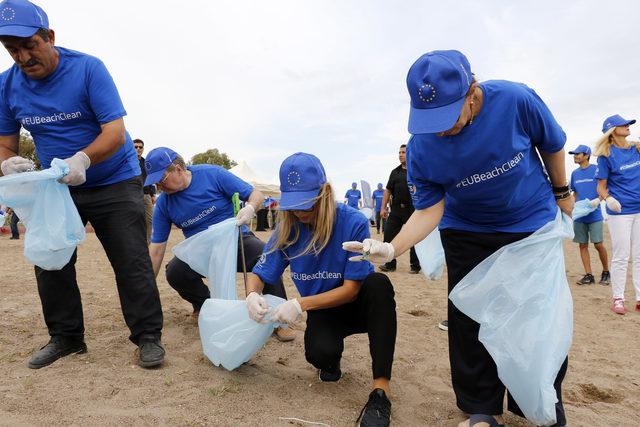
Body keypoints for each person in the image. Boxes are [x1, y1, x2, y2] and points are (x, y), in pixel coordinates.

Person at [346, 50, 573, 427]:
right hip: (466, 230)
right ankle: (482, 409)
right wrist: (392, 247)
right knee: (469, 318)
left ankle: (539, 401)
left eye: (448, 117)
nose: (441, 129)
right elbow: (429, 209)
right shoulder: (422, 146)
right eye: (429, 120)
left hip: (528, 222)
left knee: (536, 313)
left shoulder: (516, 100)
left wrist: (562, 192)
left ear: (472, 92)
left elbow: (551, 144)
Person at [0, 0, 165, 369]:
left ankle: (148, 337)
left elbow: (115, 131)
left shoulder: (88, 69)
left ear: (50, 37)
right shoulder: (6, 86)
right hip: (58, 187)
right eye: (13, 49)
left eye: (30, 45)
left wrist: (84, 159)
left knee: (131, 261)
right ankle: (66, 337)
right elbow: (5, 143)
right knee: (51, 259)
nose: (24, 56)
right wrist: (7, 162)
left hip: (114, 180)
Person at [247, 153, 396, 427]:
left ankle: (380, 390)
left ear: (324, 192)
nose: (300, 212)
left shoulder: (352, 221)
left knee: (378, 284)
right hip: (322, 308)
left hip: (355, 303)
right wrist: (252, 294)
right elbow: (260, 272)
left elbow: (352, 290)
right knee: (319, 354)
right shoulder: (287, 228)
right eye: (294, 204)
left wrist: (299, 304)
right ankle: (331, 360)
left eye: (307, 203)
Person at [144, 147, 293, 341]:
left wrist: (250, 208)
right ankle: (203, 305)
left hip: (237, 239)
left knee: (265, 257)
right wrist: (145, 288)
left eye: (161, 180)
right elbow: (156, 250)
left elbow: (256, 195)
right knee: (175, 272)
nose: (159, 188)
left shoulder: (212, 174)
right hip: (202, 250)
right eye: (155, 184)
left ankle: (278, 319)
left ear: (178, 169)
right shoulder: (164, 204)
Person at [595, 114, 640, 315]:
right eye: (624, 124)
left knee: (639, 256)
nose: (628, 126)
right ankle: (619, 298)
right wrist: (609, 199)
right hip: (620, 212)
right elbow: (601, 187)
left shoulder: (637, 149)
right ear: (612, 130)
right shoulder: (606, 155)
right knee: (622, 255)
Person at [568, 144, 610, 285]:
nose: (575, 156)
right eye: (574, 154)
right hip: (579, 216)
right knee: (582, 245)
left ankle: (605, 272)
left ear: (586, 155)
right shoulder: (575, 174)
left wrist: (598, 200)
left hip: (595, 214)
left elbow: (605, 188)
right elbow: (575, 193)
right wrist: (571, 208)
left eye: (577, 154)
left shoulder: (596, 170)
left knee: (598, 244)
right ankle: (589, 275)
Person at [379, 144, 421, 274]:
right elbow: (388, 190)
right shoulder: (395, 172)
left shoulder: (417, 170)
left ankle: (415, 266)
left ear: (409, 154)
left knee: (414, 238)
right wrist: (383, 208)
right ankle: (390, 264)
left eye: (403, 152)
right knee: (389, 236)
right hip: (396, 210)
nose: (400, 155)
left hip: (412, 210)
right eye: (399, 152)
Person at [133, 138, 156, 243]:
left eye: (140, 147)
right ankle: (134, 241)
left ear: (143, 149)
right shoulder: (127, 162)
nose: (138, 149)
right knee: (134, 219)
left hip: (146, 194)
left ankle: (147, 243)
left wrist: (153, 194)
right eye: (135, 147)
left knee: (149, 220)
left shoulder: (146, 163)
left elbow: (151, 179)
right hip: (132, 195)